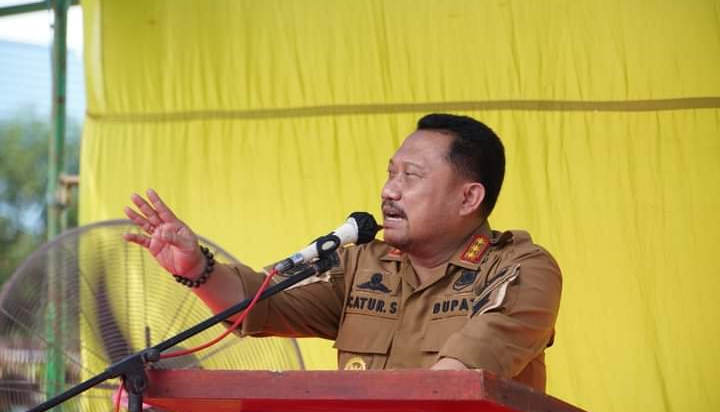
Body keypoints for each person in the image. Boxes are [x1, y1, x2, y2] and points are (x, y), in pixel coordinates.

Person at [124, 113, 561, 391]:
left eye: (411, 176)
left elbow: (456, 381)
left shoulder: (521, 269)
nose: (389, 191)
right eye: (390, 173)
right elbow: (259, 307)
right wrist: (199, 269)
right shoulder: (361, 264)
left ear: (468, 198)